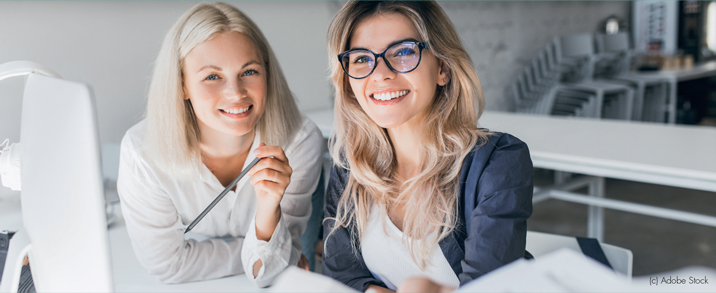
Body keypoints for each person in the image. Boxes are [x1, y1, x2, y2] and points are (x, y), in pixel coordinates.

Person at [322, 1, 533, 292]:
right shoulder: (350, 165)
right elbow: (340, 276)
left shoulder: (498, 162)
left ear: (442, 68)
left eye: (404, 52)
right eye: (361, 59)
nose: (380, 73)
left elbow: (488, 287)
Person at [116, 2, 323, 287]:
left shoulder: (299, 140)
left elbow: (270, 275)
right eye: (212, 76)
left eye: (249, 71)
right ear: (182, 85)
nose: (236, 93)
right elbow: (166, 265)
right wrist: (269, 251)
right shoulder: (142, 153)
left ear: (267, 72)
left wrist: (268, 213)